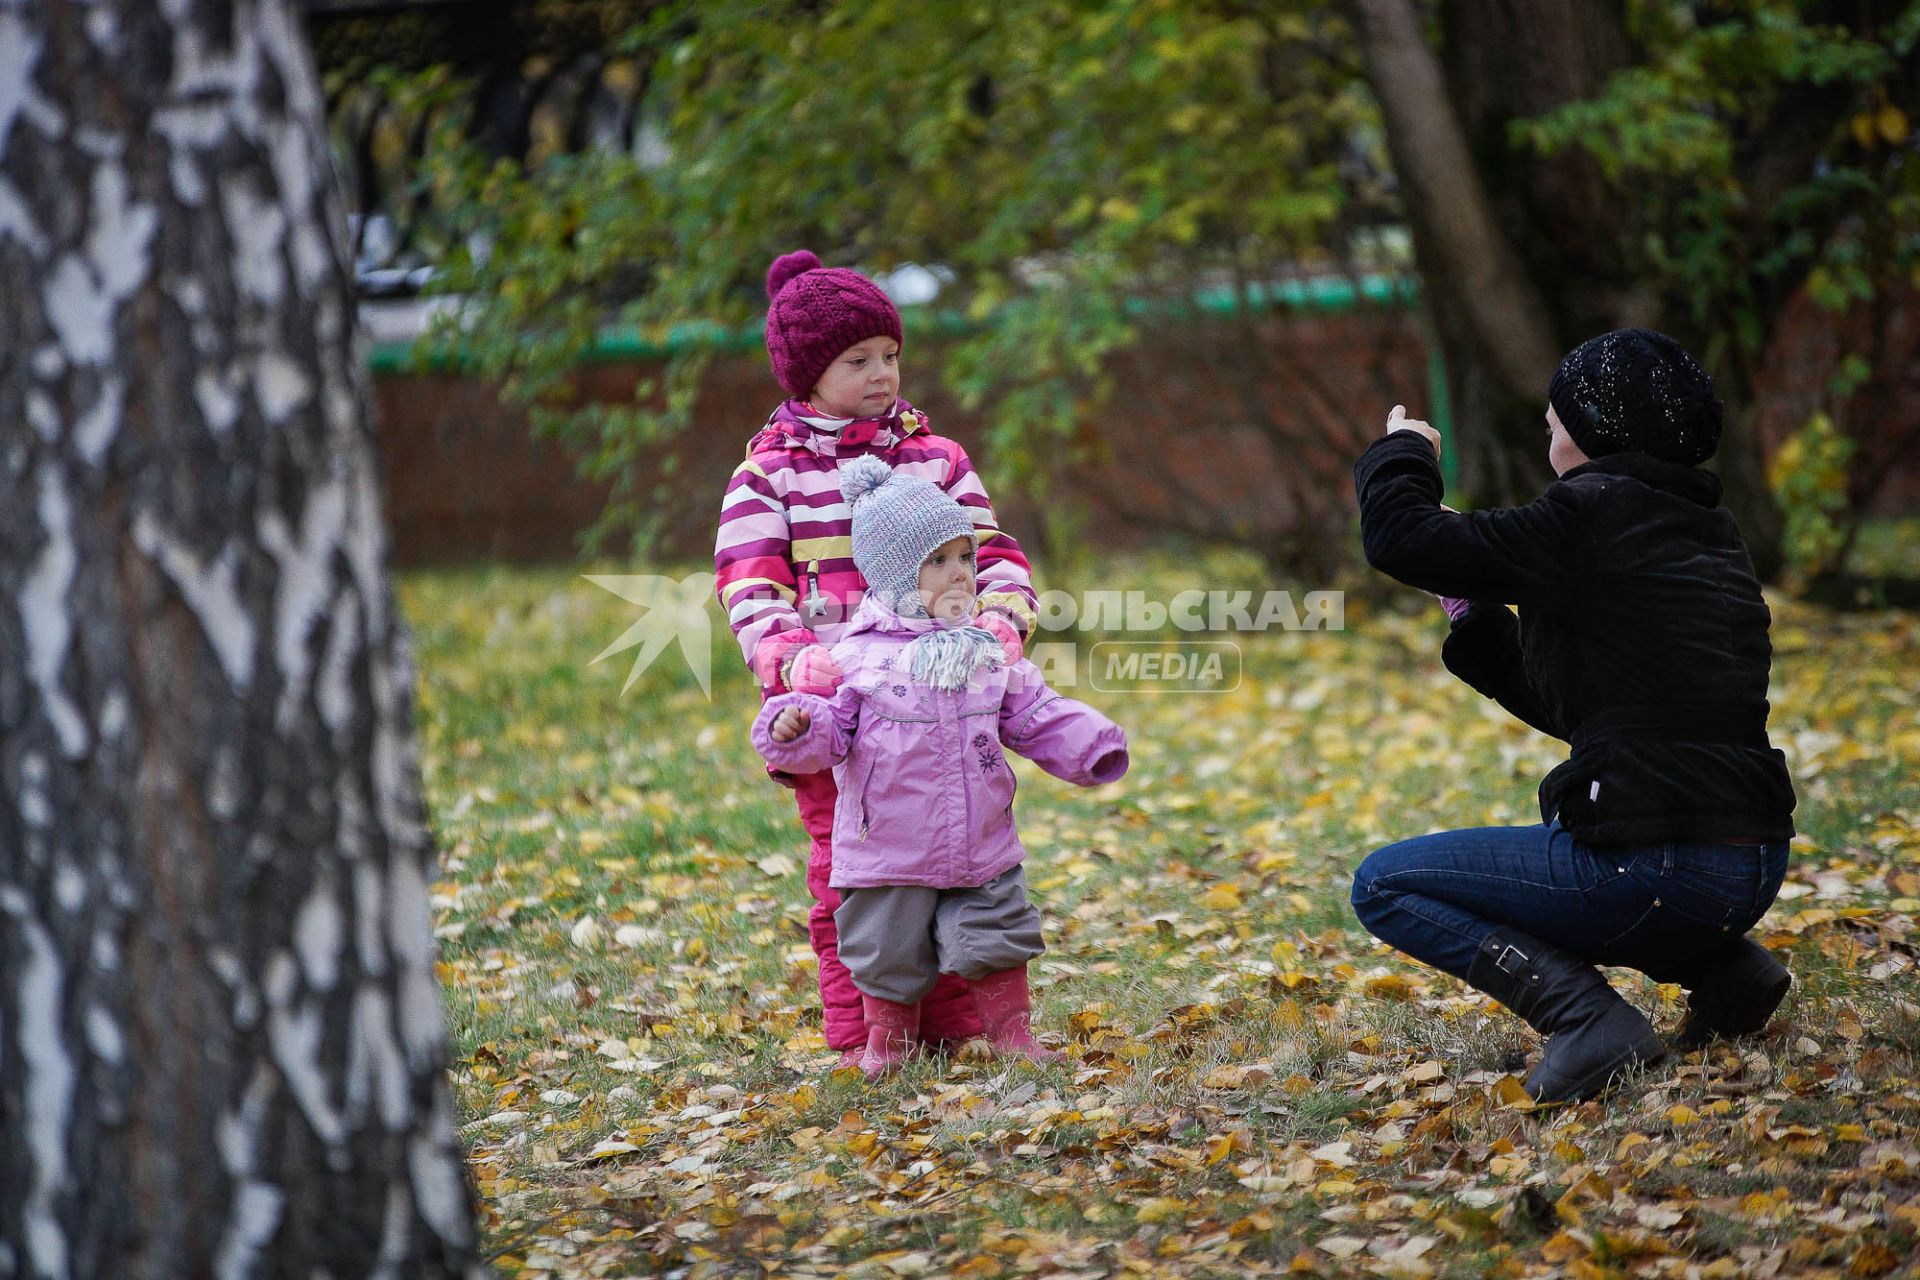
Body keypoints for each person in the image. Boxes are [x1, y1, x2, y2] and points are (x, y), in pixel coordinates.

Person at [1349, 328, 1797, 1103]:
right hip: (1748, 865)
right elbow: (1585, 709)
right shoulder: (1703, 532)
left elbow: (1401, 537)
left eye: (1556, 424)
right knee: (1579, 863)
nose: (1548, 436)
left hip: (1659, 866)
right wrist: (1473, 612)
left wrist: (1406, 453)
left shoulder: (1589, 514)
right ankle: (1729, 972)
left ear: (1591, 434)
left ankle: (1587, 1020)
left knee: (1384, 883)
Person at [714, 250, 1039, 1061]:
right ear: (807, 373)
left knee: (957, 851)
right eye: (857, 361)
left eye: (890, 355)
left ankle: (956, 1024)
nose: (882, 373)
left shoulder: (935, 459)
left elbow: (994, 553)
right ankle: (868, 1029)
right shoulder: (768, 477)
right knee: (851, 870)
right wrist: (793, 662)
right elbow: (750, 585)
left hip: (939, 696)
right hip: (835, 712)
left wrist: (1001, 618)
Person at [752, 456, 1128, 1079]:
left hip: (980, 838)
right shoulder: (858, 659)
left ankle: (1014, 1037)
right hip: (886, 849)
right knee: (884, 952)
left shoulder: (984, 652)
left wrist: (1089, 745)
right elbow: (831, 734)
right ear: (897, 574)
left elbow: (1034, 710)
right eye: (939, 562)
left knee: (999, 933)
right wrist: (794, 726)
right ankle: (887, 1048)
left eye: (965, 558)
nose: (960, 574)